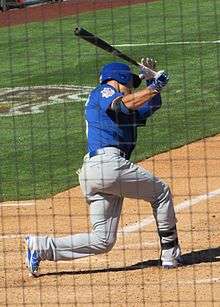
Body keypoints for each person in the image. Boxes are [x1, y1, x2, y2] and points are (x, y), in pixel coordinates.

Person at [25, 58, 182, 276]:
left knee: (103, 240)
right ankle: (170, 254)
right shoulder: (103, 92)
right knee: (161, 192)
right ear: (119, 81)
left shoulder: (124, 110)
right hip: (108, 166)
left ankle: (40, 247)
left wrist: (151, 80)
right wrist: (155, 86)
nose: (130, 89)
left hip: (95, 174)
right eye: (130, 84)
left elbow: (151, 105)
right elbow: (123, 104)